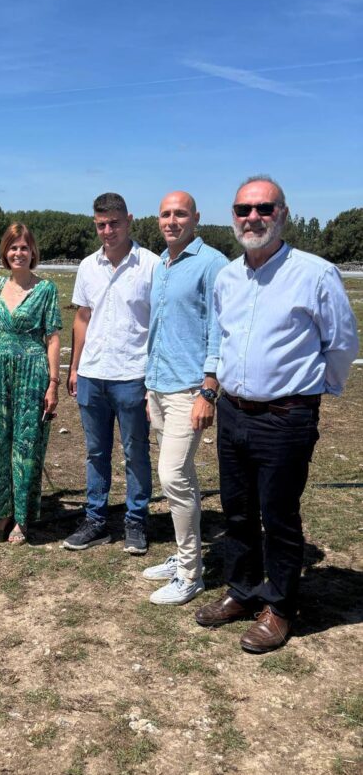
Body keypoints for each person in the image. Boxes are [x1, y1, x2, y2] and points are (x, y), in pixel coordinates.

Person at [195, 176, 358, 652]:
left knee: (279, 515)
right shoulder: (227, 276)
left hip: (285, 418)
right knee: (238, 511)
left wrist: (309, 394)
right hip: (234, 412)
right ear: (233, 216)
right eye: (244, 209)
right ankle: (243, 592)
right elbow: (222, 339)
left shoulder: (315, 273)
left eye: (264, 208)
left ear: (282, 213)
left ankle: (280, 607)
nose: (253, 218)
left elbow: (342, 342)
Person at [143, 191, 228, 604]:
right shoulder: (161, 262)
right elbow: (159, 331)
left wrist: (207, 391)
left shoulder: (213, 264)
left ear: (195, 218)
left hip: (189, 390)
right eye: (165, 214)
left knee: (172, 476)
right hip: (160, 387)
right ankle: (183, 556)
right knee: (182, 478)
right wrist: (148, 386)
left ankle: (191, 575)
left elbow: (219, 329)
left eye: (180, 214)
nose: (171, 220)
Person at [64, 193, 160, 553]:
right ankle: (96, 520)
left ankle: (135, 521)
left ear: (129, 220)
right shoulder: (88, 266)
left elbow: (157, 322)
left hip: (133, 374)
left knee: (136, 452)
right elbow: (82, 317)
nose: (108, 231)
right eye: (101, 225)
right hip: (92, 374)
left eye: (114, 223)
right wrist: (75, 367)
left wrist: (153, 380)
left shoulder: (151, 265)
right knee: (95, 452)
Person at [0, 223, 62, 544]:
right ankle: (1, 513)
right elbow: (1, 324)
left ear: (33, 252)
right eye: (13, 248)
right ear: (5, 253)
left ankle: (22, 519)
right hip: (1, 373)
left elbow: (52, 338)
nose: (18, 253)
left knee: (27, 445)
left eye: (24, 247)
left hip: (33, 373)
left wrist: (53, 383)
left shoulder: (46, 290)